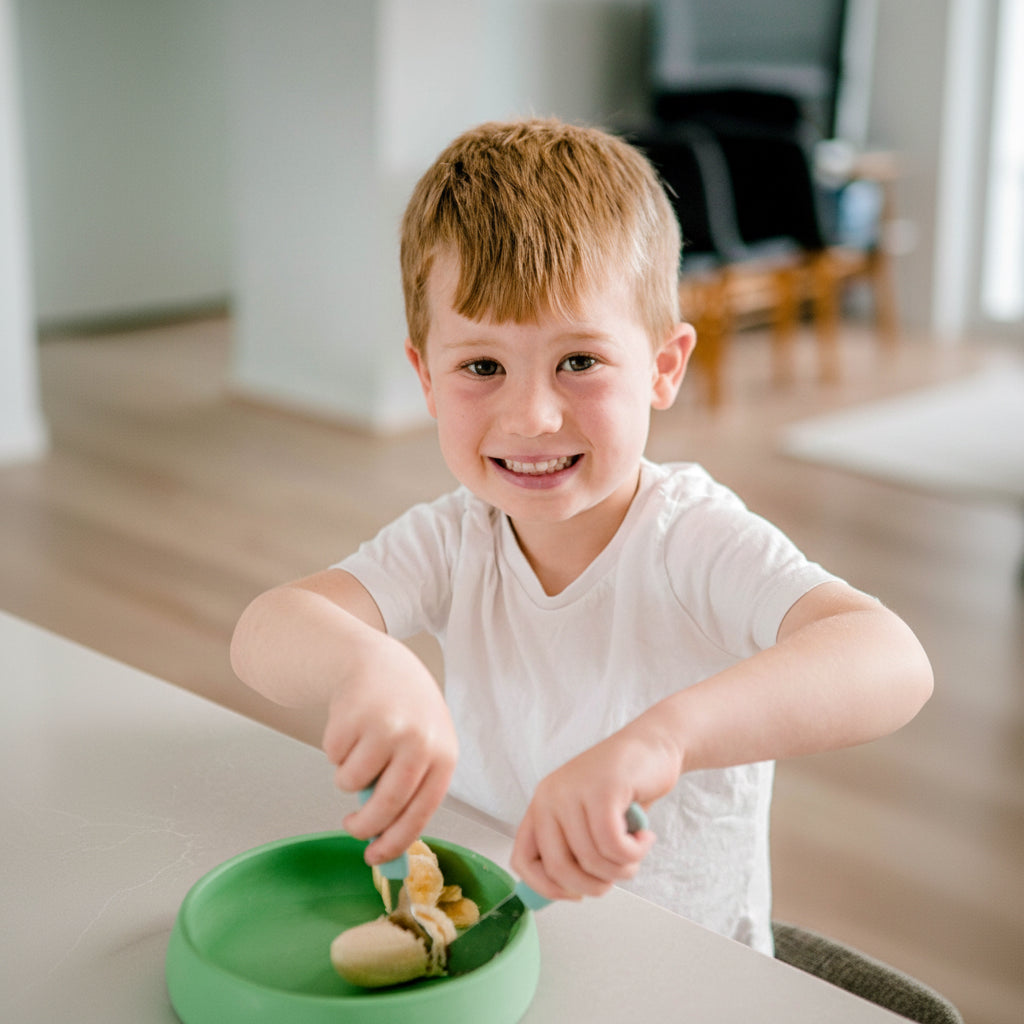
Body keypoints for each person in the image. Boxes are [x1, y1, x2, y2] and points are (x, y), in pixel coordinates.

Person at [230, 117, 932, 954]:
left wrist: (662, 740)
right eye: (482, 367)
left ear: (664, 368)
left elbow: (891, 661)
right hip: (504, 939)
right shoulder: (457, 539)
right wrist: (367, 662)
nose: (530, 416)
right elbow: (263, 631)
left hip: (686, 974)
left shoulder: (691, 540)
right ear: (425, 377)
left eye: (580, 362)